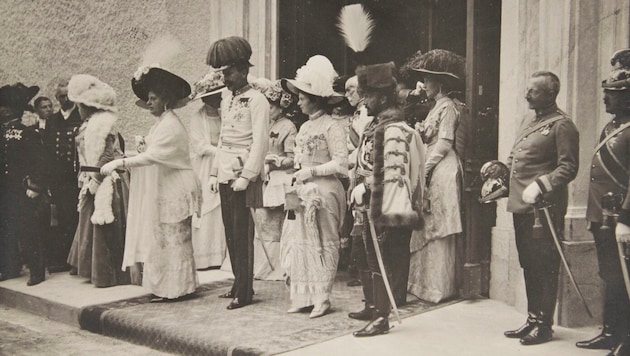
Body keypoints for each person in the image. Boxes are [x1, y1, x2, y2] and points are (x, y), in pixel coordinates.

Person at [101, 66, 201, 301]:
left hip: (175, 186)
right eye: (149, 98)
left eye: (153, 98)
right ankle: (167, 287)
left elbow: (151, 157)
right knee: (164, 238)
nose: (149, 103)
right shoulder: (162, 123)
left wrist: (120, 163)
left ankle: (177, 288)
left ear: (166, 100)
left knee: (173, 238)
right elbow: (151, 151)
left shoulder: (170, 126)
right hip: (165, 183)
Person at [502, 71, 579, 345]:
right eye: (527, 89)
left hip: (544, 209)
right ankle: (533, 318)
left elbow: (568, 167)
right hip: (522, 207)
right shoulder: (529, 120)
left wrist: (542, 184)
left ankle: (545, 325)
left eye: (532, 91)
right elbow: (515, 154)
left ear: (549, 95)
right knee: (529, 263)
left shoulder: (562, 125)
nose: (527, 95)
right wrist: (501, 174)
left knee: (545, 265)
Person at [348, 62, 425, 336]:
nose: (364, 100)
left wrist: (366, 188)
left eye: (368, 96)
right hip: (369, 205)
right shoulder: (377, 125)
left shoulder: (393, 129)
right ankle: (376, 309)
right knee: (371, 259)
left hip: (384, 204)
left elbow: (394, 174)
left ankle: (382, 317)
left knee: (382, 259)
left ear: (381, 97)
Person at [280, 55, 347, 318]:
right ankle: (303, 295)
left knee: (322, 242)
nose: (298, 101)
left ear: (315, 98)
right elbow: (299, 157)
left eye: (302, 96)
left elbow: (341, 163)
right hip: (304, 190)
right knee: (302, 242)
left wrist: (313, 171)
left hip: (326, 193)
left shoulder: (333, 126)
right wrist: (299, 174)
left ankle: (322, 298)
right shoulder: (305, 126)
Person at [207, 36, 269, 310]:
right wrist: (213, 172)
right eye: (222, 72)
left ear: (244, 70)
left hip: (243, 174)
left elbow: (260, 142)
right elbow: (221, 138)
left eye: (229, 72)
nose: (225, 78)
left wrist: (248, 175)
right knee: (230, 231)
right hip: (225, 172)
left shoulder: (257, 101)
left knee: (243, 233)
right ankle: (237, 280)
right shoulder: (226, 98)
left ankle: (245, 291)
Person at [576, 50, 630, 356]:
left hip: (622, 218)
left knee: (625, 277)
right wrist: (592, 215)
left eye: (612, 94)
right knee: (610, 275)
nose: (606, 99)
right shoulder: (611, 127)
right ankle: (611, 332)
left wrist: (626, 219)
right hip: (603, 216)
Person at [406, 49, 465, 304]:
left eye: (428, 80)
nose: (424, 85)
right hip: (432, 165)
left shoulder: (448, 108)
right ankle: (423, 284)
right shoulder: (434, 108)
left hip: (443, 167)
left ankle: (440, 287)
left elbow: (444, 143)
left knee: (438, 224)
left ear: (440, 82)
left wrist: (426, 168)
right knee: (427, 220)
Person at [66, 74, 130, 288]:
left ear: (88, 106)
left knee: (105, 224)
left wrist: (94, 179)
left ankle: (108, 273)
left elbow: (107, 155)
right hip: (92, 176)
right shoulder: (88, 124)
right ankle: (90, 268)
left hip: (106, 178)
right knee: (88, 221)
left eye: (80, 106)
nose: (78, 110)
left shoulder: (104, 125)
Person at [0, 83, 50, 286]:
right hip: (5, 190)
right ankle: (10, 267)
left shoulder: (28, 133)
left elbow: (39, 163)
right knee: (6, 229)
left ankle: (37, 271)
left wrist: (35, 187)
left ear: (11, 109)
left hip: (22, 190)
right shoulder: (2, 132)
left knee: (28, 229)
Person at [250, 77, 298, 281]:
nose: (268, 109)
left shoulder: (288, 126)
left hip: (279, 179)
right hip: (262, 178)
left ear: (281, 107)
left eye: (272, 106)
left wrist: (274, 161)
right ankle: (262, 267)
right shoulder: (263, 124)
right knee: (262, 222)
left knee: (275, 223)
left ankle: (277, 268)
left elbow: (293, 157)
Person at [189, 71, 227, 270]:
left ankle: (219, 255)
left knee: (221, 208)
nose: (218, 98)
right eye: (214, 96)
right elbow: (200, 146)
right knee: (206, 206)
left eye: (220, 95)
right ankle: (204, 257)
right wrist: (222, 151)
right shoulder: (198, 118)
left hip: (222, 166)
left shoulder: (223, 116)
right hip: (204, 168)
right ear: (206, 97)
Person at [47, 82, 83, 273]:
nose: (65, 99)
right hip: (58, 178)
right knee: (61, 217)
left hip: (75, 176)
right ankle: (63, 258)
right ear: (57, 98)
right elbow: (48, 149)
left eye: (68, 95)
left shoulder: (80, 116)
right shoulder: (53, 120)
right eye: (61, 96)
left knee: (75, 217)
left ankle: (76, 260)